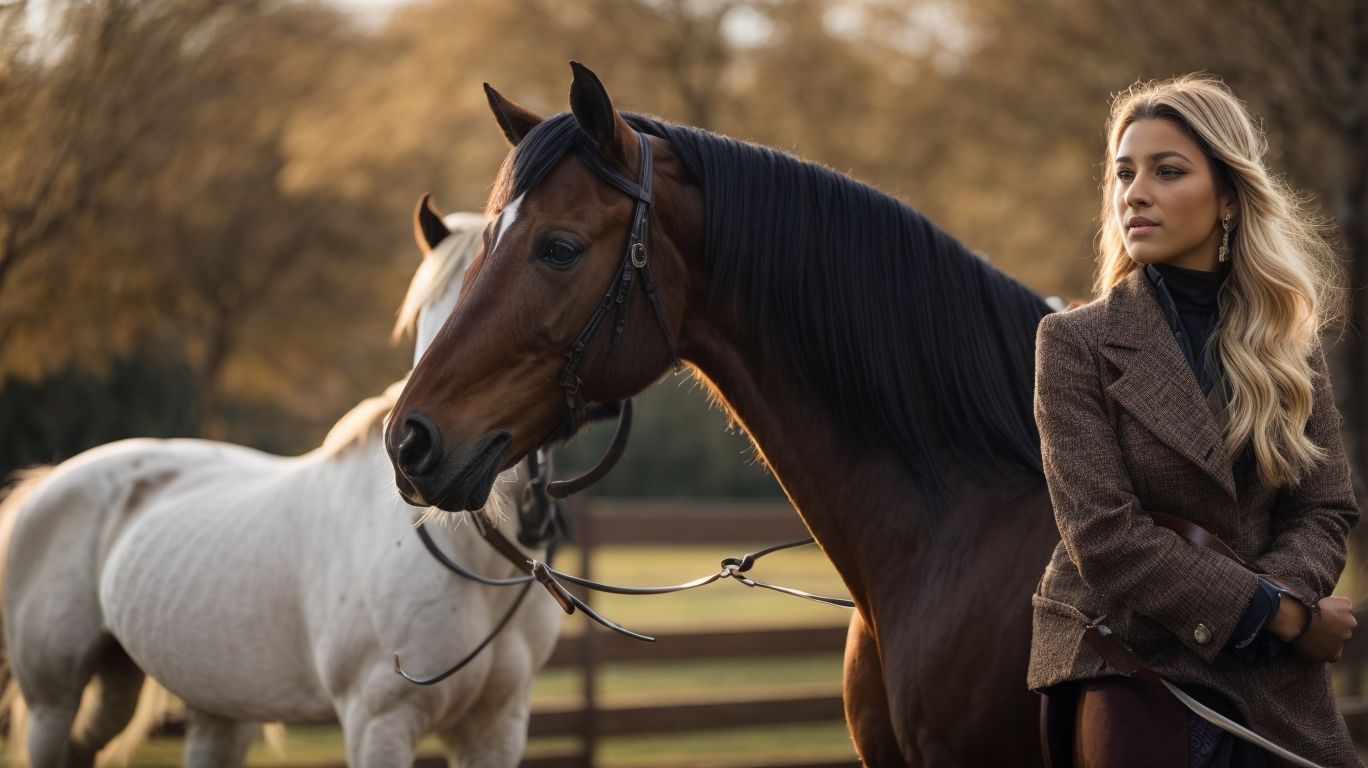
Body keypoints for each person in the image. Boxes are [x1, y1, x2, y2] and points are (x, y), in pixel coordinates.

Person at [1029, 74, 1361, 768]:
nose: (1134, 193)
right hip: (1132, 655)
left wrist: (1279, 603)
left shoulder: (1287, 340)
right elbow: (1104, 534)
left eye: (1167, 171)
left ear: (1231, 198)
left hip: (1271, 672)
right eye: (1124, 174)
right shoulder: (1073, 343)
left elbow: (1324, 508)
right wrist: (1282, 614)